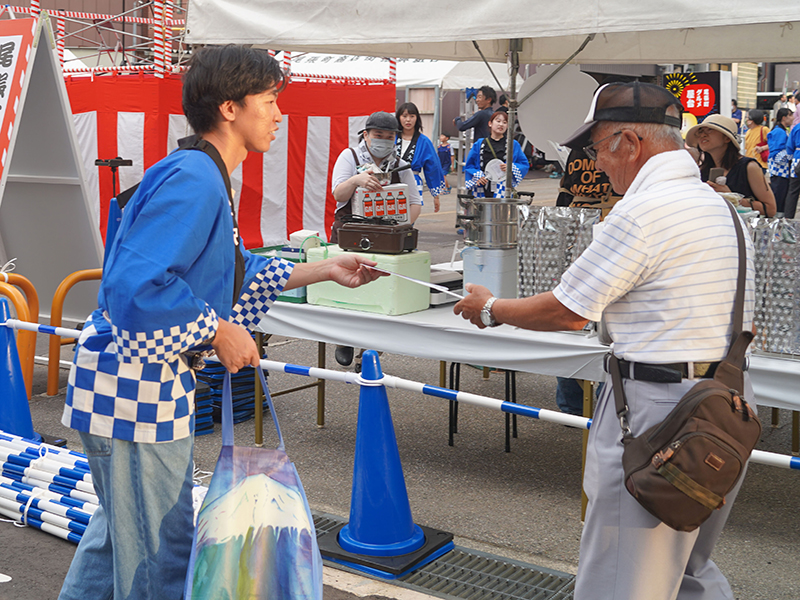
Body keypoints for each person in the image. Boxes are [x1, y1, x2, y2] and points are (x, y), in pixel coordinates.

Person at [57, 45, 383, 600]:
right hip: (138, 386)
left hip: (127, 381)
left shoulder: (200, 172)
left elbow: (234, 271)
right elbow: (137, 287)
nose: (279, 114)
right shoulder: (198, 179)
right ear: (230, 108)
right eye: (271, 100)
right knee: (160, 554)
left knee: (117, 544)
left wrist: (324, 268)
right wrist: (216, 329)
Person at [454, 81, 756, 600]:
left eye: (595, 148)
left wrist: (490, 308)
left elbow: (569, 311)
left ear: (628, 143)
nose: (596, 163)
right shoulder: (721, 208)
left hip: (656, 416)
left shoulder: (643, 213)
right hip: (723, 409)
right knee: (688, 572)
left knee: (621, 581)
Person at [329, 111, 422, 367]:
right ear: (366, 135)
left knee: (383, 289)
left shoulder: (400, 164)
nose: (383, 141)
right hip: (350, 231)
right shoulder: (350, 156)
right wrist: (357, 179)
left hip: (386, 237)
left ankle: (372, 349)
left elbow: (414, 202)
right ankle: (344, 337)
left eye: (389, 137)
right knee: (348, 286)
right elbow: (338, 194)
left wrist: (402, 227)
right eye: (378, 135)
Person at [686, 114, 777, 217]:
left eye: (710, 130)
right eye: (700, 131)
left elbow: (770, 209)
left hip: (741, 230)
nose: (703, 135)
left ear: (727, 138)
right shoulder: (701, 170)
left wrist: (732, 198)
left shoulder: (749, 167)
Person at [463, 110, 529, 199]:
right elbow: (469, 166)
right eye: (498, 121)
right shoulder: (479, 144)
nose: (501, 124)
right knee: (481, 211)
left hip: (503, 188)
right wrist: (478, 176)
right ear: (490, 123)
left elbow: (524, 164)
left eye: (504, 122)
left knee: (501, 211)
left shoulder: (513, 144)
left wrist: (511, 167)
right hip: (482, 186)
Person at [395, 102, 447, 213]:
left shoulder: (424, 141)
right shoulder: (391, 137)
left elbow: (433, 168)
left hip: (412, 182)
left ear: (417, 118)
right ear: (399, 118)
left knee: (409, 218)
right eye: (404, 116)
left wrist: (436, 196)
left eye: (412, 116)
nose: (408, 120)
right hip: (391, 182)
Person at [767, 107, 793, 213]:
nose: (792, 118)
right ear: (784, 118)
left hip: (778, 169)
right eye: (790, 115)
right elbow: (777, 151)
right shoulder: (780, 132)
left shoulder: (780, 130)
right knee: (779, 196)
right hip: (780, 169)